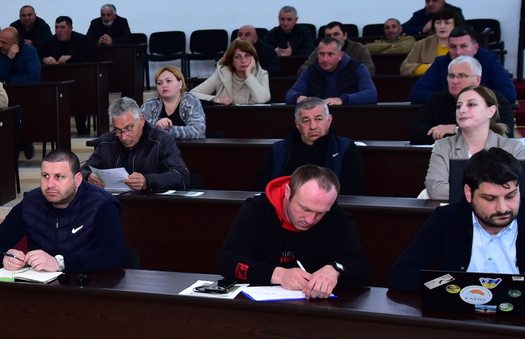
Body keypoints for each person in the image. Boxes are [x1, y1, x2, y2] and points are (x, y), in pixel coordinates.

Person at [387, 148, 525, 307]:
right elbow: (399, 274)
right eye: (490, 198)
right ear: (469, 194)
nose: (503, 208)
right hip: (461, 324)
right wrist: (455, 284)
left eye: (511, 196)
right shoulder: (447, 219)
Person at [217, 165, 370, 297]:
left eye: (320, 213)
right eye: (305, 209)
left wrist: (336, 270)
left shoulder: (337, 217)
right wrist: (278, 274)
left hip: (317, 309)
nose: (310, 220)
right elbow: (227, 261)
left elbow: (361, 270)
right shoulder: (257, 210)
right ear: (288, 192)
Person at [0, 150, 125, 273]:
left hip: (88, 284)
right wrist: (4, 257)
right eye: (45, 176)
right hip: (42, 286)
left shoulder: (101, 204)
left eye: (59, 177)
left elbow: (114, 254)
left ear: (78, 179)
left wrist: (59, 263)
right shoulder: (31, 203)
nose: (50, 184)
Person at [423, 86, 525, 200]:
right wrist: (487, 194)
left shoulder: (513, 148)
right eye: (458, 106)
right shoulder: (443, 146)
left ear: (491, 111)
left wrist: (471, 193)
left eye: (471, 104)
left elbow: (518, 189)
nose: (462, 110)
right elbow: (435, 189)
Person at [255, 98, 365, 196]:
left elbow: (352, 187)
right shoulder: (278, 149)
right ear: (298, 125)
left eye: (318, 119)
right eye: (306, 121)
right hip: (284, 205)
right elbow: (261, 184)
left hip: (331, 207)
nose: (313, 126)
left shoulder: (345, 147)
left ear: (329, 120)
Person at [81, 98, 190, 193]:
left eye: (129, 129)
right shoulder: (106, 141)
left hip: (151, 204)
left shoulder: (162, 140)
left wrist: (147, 181)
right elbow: (82, 171)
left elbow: (181, 176)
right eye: (118, 130)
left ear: (141, 120)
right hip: (114, 202)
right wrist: (88, 177)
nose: (124, 137)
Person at [409, 55, 515, 144]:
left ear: (477, 80)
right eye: (451, 76)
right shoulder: (436, 99)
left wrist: (456, 129)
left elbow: (505, 134)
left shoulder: (495, 100)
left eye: (462, 76)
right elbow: (415, 131)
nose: (455, 81)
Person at [410, 26, 517, 105]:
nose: (458, 52)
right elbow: (417, 93)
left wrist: (471, 99)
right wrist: (450, 100)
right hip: (448, 113)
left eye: (464, 46)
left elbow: (508, 92)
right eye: (453, 47)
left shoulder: (489, 60)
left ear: (475, 48)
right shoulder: (441, 62)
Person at [284, 36, 378, 105]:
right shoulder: (311, 70)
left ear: (340, 56)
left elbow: (371, 94)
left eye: (330, 54)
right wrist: (298, 97)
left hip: (349, 115)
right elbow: (290, 94)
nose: (325, 59)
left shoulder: (357, 67)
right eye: (322, 54)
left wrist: (342, 100)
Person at [191, 38, 270, 104]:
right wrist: (216, 99)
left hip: (253, 116)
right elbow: (192, 94)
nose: (243, 61)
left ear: (253, 58)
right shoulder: (222, 73)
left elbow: (262, 99)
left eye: (247, 56)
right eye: (238, 57)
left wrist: (249, 75)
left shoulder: (261, 74)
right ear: (231, 61)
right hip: (226, 116)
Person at [142, 66, 207, 139]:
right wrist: (155, 123)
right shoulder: (150, 104)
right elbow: (138, 126)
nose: (164, 85)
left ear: (180, 83)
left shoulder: (190, 100)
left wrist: (164, 130)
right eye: (159, 83)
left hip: (187, 146)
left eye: (168, 81)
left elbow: (197, 131)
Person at [300, 21, 375, 75]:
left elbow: (370, 70)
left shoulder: (359, 48)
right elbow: (302, 69)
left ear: (345, 36)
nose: (332, 38)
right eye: (328, 35)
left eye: (336, 34)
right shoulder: (320, 50)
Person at [400, 9, 462, 75]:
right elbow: (404, 68)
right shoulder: (422, 44)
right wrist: (427, 68)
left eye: (447, 23)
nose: (442, 26)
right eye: (438, 23)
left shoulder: (464, 43)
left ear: (455, 25)